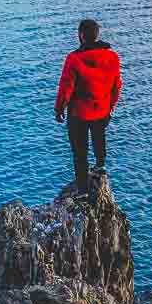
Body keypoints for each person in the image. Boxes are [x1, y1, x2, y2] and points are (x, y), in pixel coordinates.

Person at [54, 18, 122, 197]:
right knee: (99, 137)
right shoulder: (112, 56)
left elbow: (66, 87)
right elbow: (116, 85)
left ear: (81, 36)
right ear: (97, 35)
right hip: (102, 109)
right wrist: (111, 105)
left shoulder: (74, 59)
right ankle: (100, 167)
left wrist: (59, 108)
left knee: (80, 150)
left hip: (79, 113)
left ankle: (83, 188)